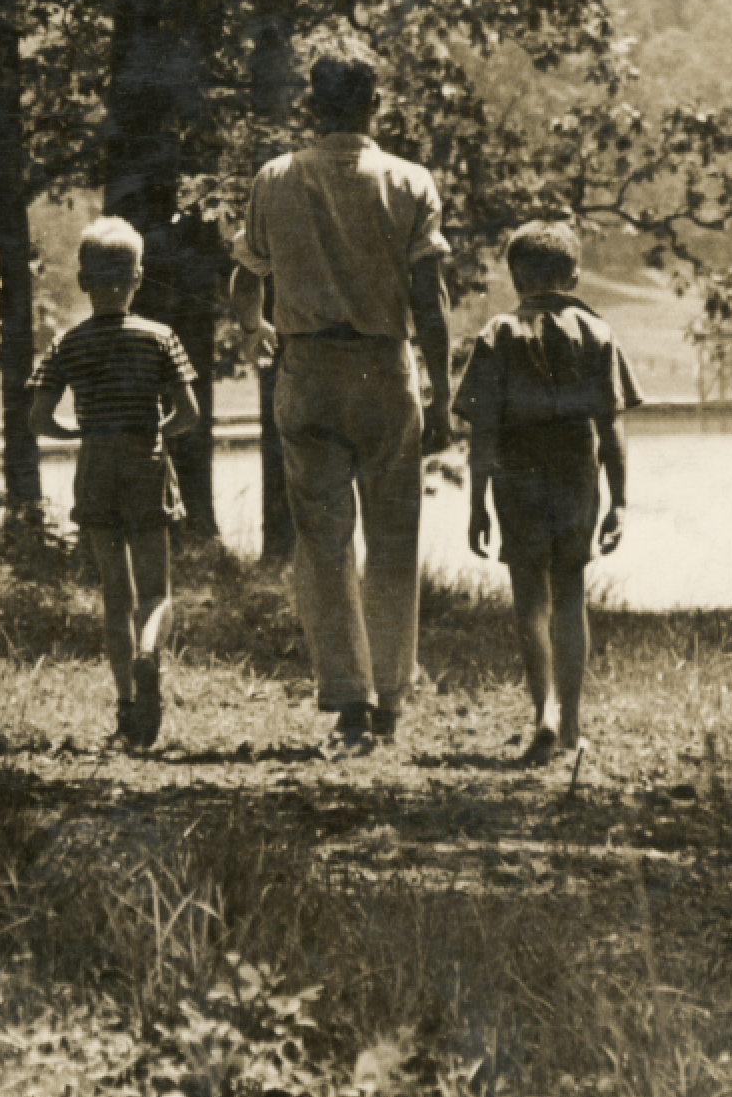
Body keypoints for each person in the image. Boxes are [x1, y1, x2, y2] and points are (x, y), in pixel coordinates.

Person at [227, 43, 453, 753]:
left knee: (323, 543)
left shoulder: (274, 178)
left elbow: (246, 278)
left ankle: (348, 701)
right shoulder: (410, 182)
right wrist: (444, 391)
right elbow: (431, 300)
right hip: (384, 369)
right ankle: (390, 695)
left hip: (309, 370)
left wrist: (252, 331)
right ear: (375, 104)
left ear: (312, 106)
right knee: (393, 538)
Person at [456, 218, 641, 767]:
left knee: (529, 599)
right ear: (575, 275)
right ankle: (573, 725)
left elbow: (482, 431)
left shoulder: (496, 335)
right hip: (575, 474)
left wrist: (476, 505)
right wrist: (619, 501)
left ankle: (543, 711)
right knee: (569, 595)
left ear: (515, 277)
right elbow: (611, 428)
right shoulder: (598, 334)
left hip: (516, 475)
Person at [29, 217, 203, 749]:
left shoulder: (67, 344)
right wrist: (156, 430)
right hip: (144, 462)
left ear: (84, 281)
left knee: (115, 597)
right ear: (138, 278)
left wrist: (79, 431)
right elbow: (188, 414)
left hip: (96, 465)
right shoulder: (160, 337)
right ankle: (150, 651)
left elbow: (39, 420)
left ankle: (127, 708)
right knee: (157, 592)